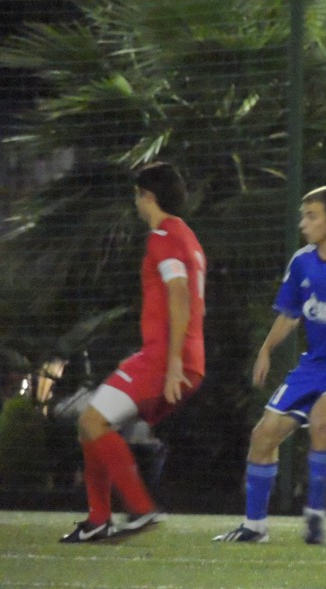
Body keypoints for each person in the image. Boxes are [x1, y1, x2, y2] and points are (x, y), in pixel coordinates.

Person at [214, 185, 326, 545]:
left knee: (320, 420)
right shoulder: (301, 262)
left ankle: (314, 516)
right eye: (303, 216)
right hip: (313, 366)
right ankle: (254, 527)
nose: (303, 224)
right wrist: (266, 349)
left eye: (311, 216)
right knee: (263, 435)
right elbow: (290, 314)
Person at [60, 161, 206, 543]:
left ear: (148, 196)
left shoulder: (163, 236)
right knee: (93, 425)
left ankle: (140, 509)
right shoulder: (186, 235)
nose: (136, 203)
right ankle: (98, 520)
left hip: (167, 358)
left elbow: (179, 295)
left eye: (138, 196)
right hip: (172, 356)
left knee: (92, 422)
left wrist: (171, 362)